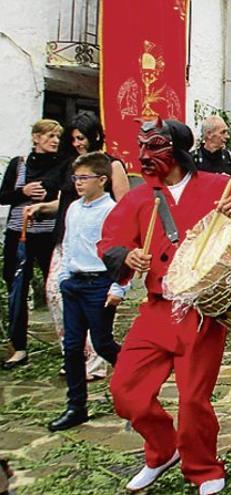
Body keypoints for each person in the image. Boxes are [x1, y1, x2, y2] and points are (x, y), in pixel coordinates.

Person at [99, 118, 231, 494]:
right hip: (156, 309)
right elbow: (110, 241)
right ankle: (164, 449)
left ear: (178, 150)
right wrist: (127, 255)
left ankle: (203, 467)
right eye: (142, 147)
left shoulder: (218, 186)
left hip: (201, 311)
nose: (144, 155)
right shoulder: (137, 197)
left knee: (194, 398)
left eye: (155, 147)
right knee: (125, 390)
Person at [26, 110, 129, 380]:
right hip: (67, 238)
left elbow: (125, 207)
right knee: (54, 292)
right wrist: (42, 207)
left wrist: (122, 247)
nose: (76, 143)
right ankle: (73, 353)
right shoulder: (72, 166)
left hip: (99, 245)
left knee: (97, 310)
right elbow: (66, 201)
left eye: (81, 137)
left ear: (95, 135)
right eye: (72, 138)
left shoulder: (111, 165)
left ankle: (96, 362)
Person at [46, 152, 126, 431]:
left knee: (103, 342)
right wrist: (65, 275)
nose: (78, 183)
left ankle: (134, 374)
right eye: (75, 178)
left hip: (99, 284)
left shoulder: (111, 210)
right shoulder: (73, 209)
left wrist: (119, 286)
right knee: (72, 346)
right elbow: (68, 243)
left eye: (84, 178)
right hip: (74, 284)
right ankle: (76, 405)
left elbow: (120, 253)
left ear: (102, 180)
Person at [0, 119, 66, 369]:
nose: (54, 140)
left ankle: (68, 345)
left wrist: (47, 198)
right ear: (36, 138)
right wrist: (24, 193)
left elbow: (66, 196)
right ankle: (18, 347)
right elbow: (3, 196)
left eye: (57, 136)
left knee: (58, 289)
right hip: (20, 233)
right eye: (49, 136)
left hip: (48, 234)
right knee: (17, 288)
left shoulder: (61, 165)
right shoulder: (19, 165)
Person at [193, 115, 231, 181]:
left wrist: (229, 180)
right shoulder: (193, 159)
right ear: (209, 134)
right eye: (223, 132)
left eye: (227, 132)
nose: (227, 136)